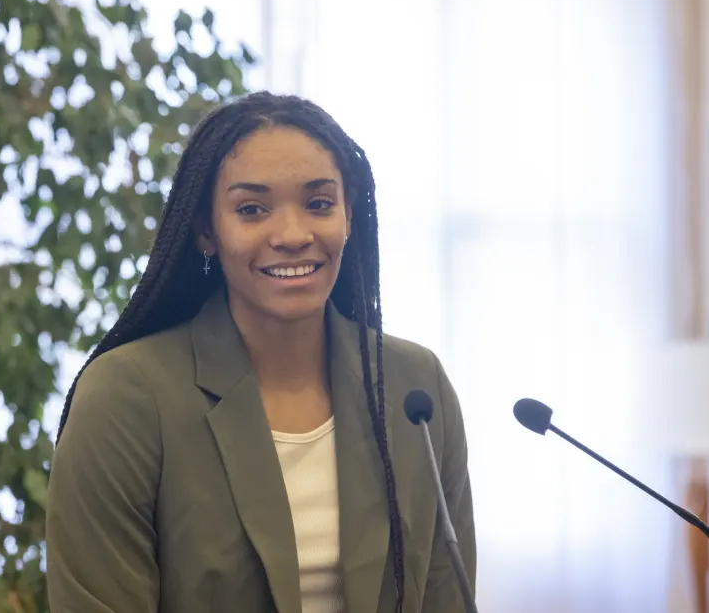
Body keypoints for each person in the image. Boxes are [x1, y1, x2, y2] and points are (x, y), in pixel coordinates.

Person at [44, 92, 476, 613]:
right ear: (207, 229)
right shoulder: (127, 398)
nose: (293, 235)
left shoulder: (414, 388)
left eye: (319, 204)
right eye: (252, 209)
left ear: (348, 217)